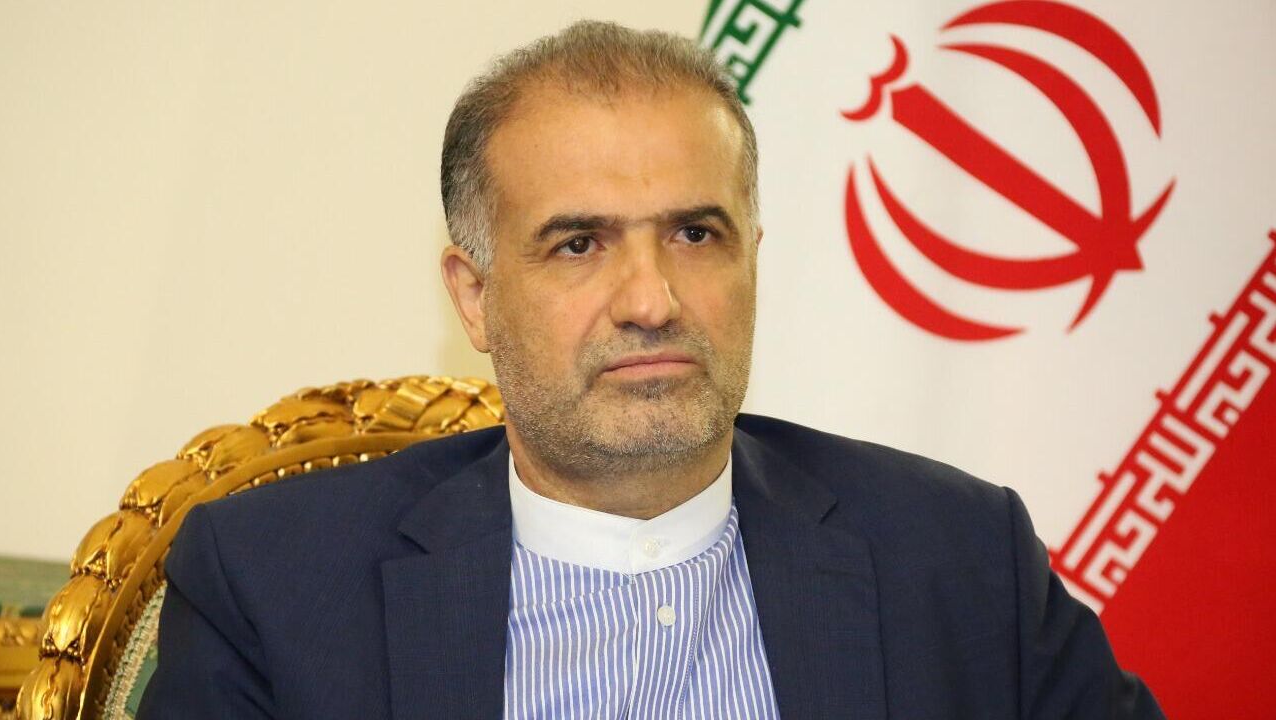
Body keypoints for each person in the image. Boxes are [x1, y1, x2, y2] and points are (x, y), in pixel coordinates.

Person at [139, 20, 1165, 719]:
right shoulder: (275, 585)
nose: (650, 300)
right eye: (578, 243)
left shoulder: (956, 559)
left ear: (752, 258)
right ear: (475, 295)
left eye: (694, 234)